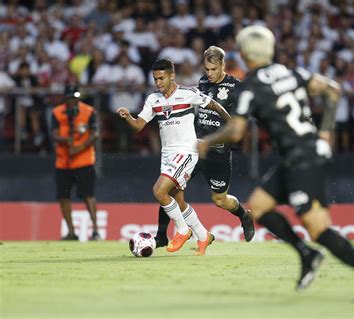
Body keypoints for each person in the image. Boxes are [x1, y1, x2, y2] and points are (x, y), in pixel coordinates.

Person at [198, 26, 354, 301]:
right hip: (300, 153)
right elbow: (333, 90)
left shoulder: (251, 87)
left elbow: (237, 131)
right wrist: (324, 134)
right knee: (260, 207)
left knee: (317, 228)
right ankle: (307, 254)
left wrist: (207, 141)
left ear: (243, 54)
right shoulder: (291, 72)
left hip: (303, 158)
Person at [117, 58, 232, 255]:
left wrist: (232, 125)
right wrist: (128, 116)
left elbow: (214, 105)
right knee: (177, 200)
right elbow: (138, 126)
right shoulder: (153, 99)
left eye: (162, 78)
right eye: (155, 79)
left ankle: (182, 230)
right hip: (167, 155)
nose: (158, 83)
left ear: (172, 76)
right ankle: (204, 236)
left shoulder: (188, 94)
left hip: (186, 151)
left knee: (159, 191)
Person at [154, 46, 255, 248]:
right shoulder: (202, 82)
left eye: (213, 69)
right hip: (194, 148)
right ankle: (161, 236)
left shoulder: (237, 87)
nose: (209, 73)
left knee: (220, 200)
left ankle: (244, 215)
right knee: (170, 186)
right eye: (206, 69)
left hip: (218, 151)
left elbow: (241, 122)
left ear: (223, 65)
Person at [51, 85, 100, 240]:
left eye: (74, 98)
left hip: (83, 160)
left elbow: (95, 133)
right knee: (63, 197)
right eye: (68, 99)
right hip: (63, 161)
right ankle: (71, 232)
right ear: (64, 99)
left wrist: (80, 147)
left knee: (88, 195)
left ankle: (95, 231)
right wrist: (66, 140)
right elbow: (53, 134)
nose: (71, 101)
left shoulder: (89, 111)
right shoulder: (57, 112)